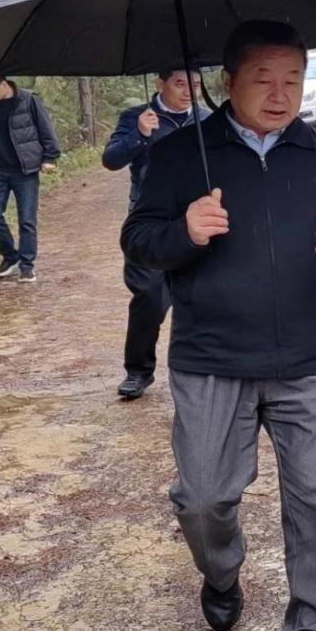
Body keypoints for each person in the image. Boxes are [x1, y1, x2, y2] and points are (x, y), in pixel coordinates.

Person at [121, 20, 316, 631]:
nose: (281, 94)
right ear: (228, 81)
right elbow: (139, 237)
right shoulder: (182, 154)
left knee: (315, 503)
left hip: (312, 359)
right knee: (204, 498)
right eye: (263, 79)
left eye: (293, 80)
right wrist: (184, 231)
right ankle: (221, 572)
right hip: (211, 357)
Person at [102, 69, 210, 400]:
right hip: (150, 219)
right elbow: (111, 160)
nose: (188, 91)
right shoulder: (137, 117)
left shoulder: (208, 119)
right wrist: (138, 134)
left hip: (197, 218)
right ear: (160, 84)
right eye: (180, 84)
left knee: (203, 294)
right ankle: (138, 370)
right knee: (149, 295)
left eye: (195, 85)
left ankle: (203, 372)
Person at [0, 73, 60, 283]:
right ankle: (10, 256)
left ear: (3, 83)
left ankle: (27, 265)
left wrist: (50, 157)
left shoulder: (28, 100)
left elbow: (46, 129)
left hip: (24, 170)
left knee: (27, 219)